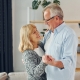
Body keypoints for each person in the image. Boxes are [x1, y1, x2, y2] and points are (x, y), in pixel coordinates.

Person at [41, 3, 78, 80]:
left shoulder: (69, 34)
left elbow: (68, 61)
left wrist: (53, 63)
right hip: (48, 77)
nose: (45, 23)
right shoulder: (48, 33)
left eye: (47, 20)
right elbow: (41, 50)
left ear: (56, 18)